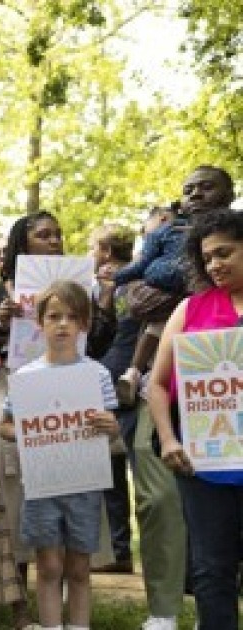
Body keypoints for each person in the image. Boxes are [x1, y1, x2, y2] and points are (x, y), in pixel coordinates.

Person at [0, 280, 119, 630]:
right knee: (48, 566)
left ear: (84, 324)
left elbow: (110, 429)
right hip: (43, 486)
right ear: (40, 322)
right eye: (54, 316)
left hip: (83, 484)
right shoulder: (26, 377)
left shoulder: (97, 375)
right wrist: (28, 432)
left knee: (79, 568)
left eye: (72, 317)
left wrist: (109, 426)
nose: (62, 323)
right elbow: (6, 426)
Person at [148, 209, 243, 628]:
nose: (215, 264)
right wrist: (168, 440)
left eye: (225, 253)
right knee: (211, 571)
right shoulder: (190, 309)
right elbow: (156, 384)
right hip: (205, 465)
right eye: (207, 258)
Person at [116, 166, 236, 405]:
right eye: (188, 190)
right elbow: (140, 277)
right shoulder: (167, 233)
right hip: (178, 390)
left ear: (229, 194)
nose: (196, 194)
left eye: (207, 187)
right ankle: (135, 373)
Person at [87, 224, 138, 576]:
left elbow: (103, 335)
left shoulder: (114, 286)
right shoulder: (144, 280)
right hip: (134, 377)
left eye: (94, 248)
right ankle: (119, 549)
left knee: (114, 472)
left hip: (114, 380)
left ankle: (119, 550)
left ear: (105, 251)